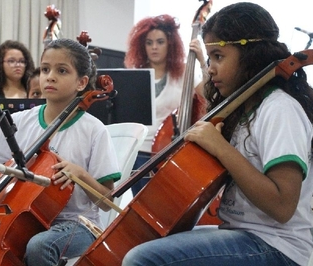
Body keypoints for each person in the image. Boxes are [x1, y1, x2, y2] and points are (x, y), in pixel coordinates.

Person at [122, 2, 313, 266]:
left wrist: (220, 148)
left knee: (142, 259)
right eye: (209, 58)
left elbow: (282, 207)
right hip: (241, 233)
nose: (210, 68)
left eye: (218, 57)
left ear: (250, 56)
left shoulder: (279, 110)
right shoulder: (243, 110)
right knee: (144, 242)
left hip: (275, 246)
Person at [0, 38, 121, 265]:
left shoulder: (94, 130)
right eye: (45, 69)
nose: (50, 76)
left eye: (61, 70)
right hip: (20, 219)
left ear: (81, 82)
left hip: (77, 224)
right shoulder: (22, 121)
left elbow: (107, 199)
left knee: (40, 245)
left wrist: (80, 174)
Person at [124, 14, 208, 196]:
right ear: (141, 45)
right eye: (149, 42)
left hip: (171, 150)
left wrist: (202, 61)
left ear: (170, 44)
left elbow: (209, 96)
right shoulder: (135, 75)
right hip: (138, 153)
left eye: (160, 42)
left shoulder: (185, 71)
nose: (154, 47)